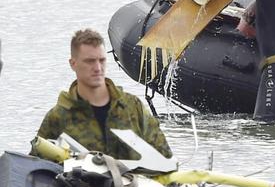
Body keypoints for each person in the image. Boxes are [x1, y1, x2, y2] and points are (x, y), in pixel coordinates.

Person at [31, 29, 172, 160]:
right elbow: (32, 171)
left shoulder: (132, 107)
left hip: (133, 185)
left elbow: (165, 158)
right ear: (73, 64)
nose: (98, 68)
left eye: (102, 60)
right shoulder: (58, 117)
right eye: (90, 61)